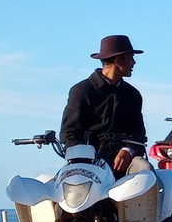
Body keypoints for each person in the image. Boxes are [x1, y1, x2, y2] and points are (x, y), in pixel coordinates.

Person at [60, 34, 147, 176]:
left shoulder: (132, 95)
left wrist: (127, 151)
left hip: (125, 162)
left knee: (146, 172)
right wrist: (85, 159)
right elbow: (70, 133)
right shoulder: (81, 91)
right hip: (87, 162)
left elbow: (138, 134)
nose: (134, 63)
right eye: (131, 57)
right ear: (119, 60)